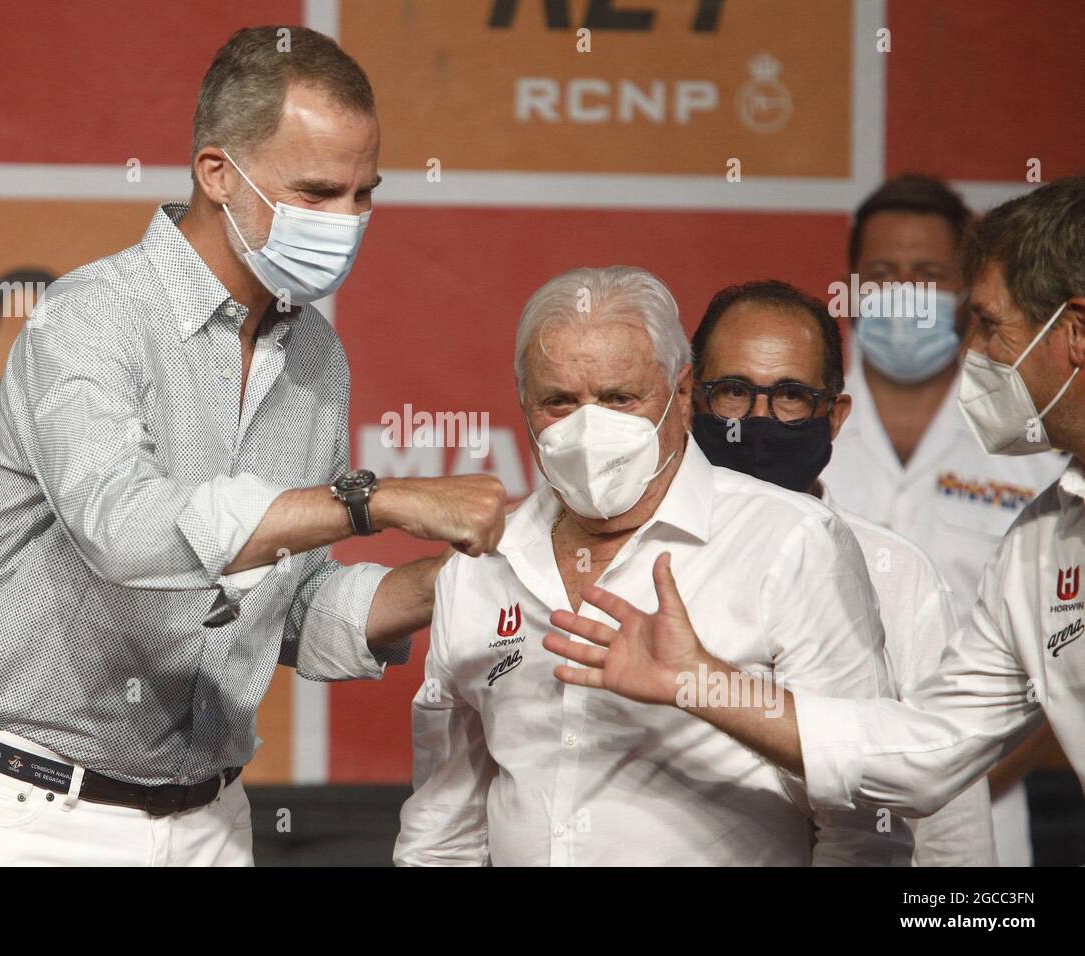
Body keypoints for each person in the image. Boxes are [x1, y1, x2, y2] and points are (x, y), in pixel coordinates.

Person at [0, 26, 506, 867]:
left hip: (211, 822)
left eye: (366, 193)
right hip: (22, 815)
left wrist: (471, 578)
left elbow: (288, 605)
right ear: (217, 174)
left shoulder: (320, 359)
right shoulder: (91, 316)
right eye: (319, 193)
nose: (350, 221)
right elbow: (125, 528)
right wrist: (372, 501)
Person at [541, 178, 1085, 839]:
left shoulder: (908, 564)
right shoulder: (1042, 544)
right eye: (734, 392)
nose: (972, 353)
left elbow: (950, 820)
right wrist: (704, 682)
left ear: (1076, 333)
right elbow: (926, 755)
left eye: (992, 327)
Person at [393, 266, 911, 866]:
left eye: (619, 398)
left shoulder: (792, 540)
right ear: (523, 404)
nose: (590, 427)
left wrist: (705, 683)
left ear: (683, 395)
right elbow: (443, 830)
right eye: (559, 401)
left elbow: (865, 816)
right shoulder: (480, 565)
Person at [689, 278, 995, 865]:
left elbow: (951, 830)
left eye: (791, 397)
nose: (759, 418)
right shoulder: (642, 558)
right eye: (732, 392)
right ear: (690, 400)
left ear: (834, 416)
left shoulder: (897, 575)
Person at [821, 176, 1067, 864]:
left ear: (968, 291)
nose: (905, 291)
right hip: (812, 811)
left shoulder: (1032, 433)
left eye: (930, 275)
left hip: (988, 811)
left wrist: (979, 773)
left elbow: (1066, 646)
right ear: (849, 285)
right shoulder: (797, 424)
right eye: (883, 273)